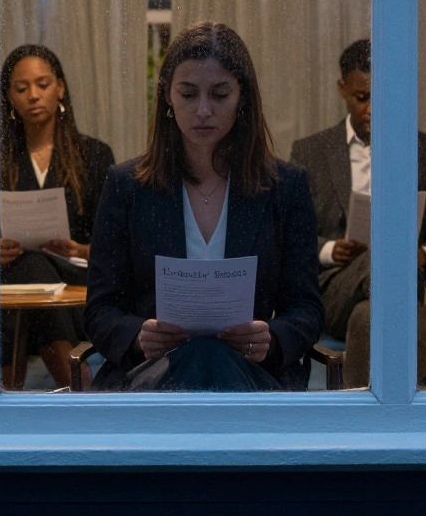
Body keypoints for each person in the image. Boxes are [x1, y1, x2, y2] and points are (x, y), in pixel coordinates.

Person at [84, 21, 323, 391]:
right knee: (200, 359)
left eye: (220, 94)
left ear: (242, 97)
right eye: (189, 94)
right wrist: (137, 335)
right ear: (167, 96)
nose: (203, 110)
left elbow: (306, 308)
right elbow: (100, 310)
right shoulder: (127, 186)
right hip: (151, 376)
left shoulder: (285, 187)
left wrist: (271, 338)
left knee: (210, 358)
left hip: (250, 374)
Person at [289, 39, 426, 388]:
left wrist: (422, 254)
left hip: (401, 285)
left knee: (371, 315)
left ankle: (358, 420)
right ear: (342, 89)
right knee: (386, 263)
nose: (371, 110)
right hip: (335, 288)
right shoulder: (311, 152)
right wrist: (330, 250)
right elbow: (291, 235)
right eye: (362, 98)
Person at [0, 44, 115, 389]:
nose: (33, 96)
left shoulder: (93, 154)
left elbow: (116, 246)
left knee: (31, 273)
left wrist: (78, 249)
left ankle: (3, 397)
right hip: (14, 282)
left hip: (76, 286)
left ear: (60, 87)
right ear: (9, 97)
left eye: (43, 84)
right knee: (29, 265)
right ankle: (81, 390)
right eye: (21, 88)